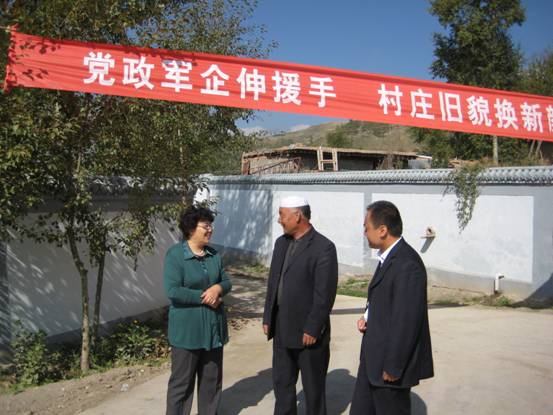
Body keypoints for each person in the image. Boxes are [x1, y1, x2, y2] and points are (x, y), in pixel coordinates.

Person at [350, 200, 434, 415]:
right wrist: (367, 316)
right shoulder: (388, 258)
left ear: (382, 230)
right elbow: (383, 298)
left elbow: (407, 321)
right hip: (372, 361)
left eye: (366, 228)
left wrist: (394, 367)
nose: (364, 233)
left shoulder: (407, 265)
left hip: (389, 369)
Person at [263, 195, 338, 415]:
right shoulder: (281, 243)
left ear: (297, 216)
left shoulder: (323, 248)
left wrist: (313, 328)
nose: (279, 220)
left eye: (282, 215)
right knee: (283, 386)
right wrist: (268, 317)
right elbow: (273, 282)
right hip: (282, 329)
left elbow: (324, 294)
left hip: (308, 335)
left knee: (313, 391)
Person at [164, 205, 232, 415]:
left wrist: (218, 288)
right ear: (191, 228)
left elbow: (226, 281)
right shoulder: (175, 255)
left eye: (210, 225)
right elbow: (173, 291)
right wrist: (206, 297)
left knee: (211, 382)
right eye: (205, 226)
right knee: (181, 385)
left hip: (213, 330)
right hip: (187, 332)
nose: (210, 229)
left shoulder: (213, 254)